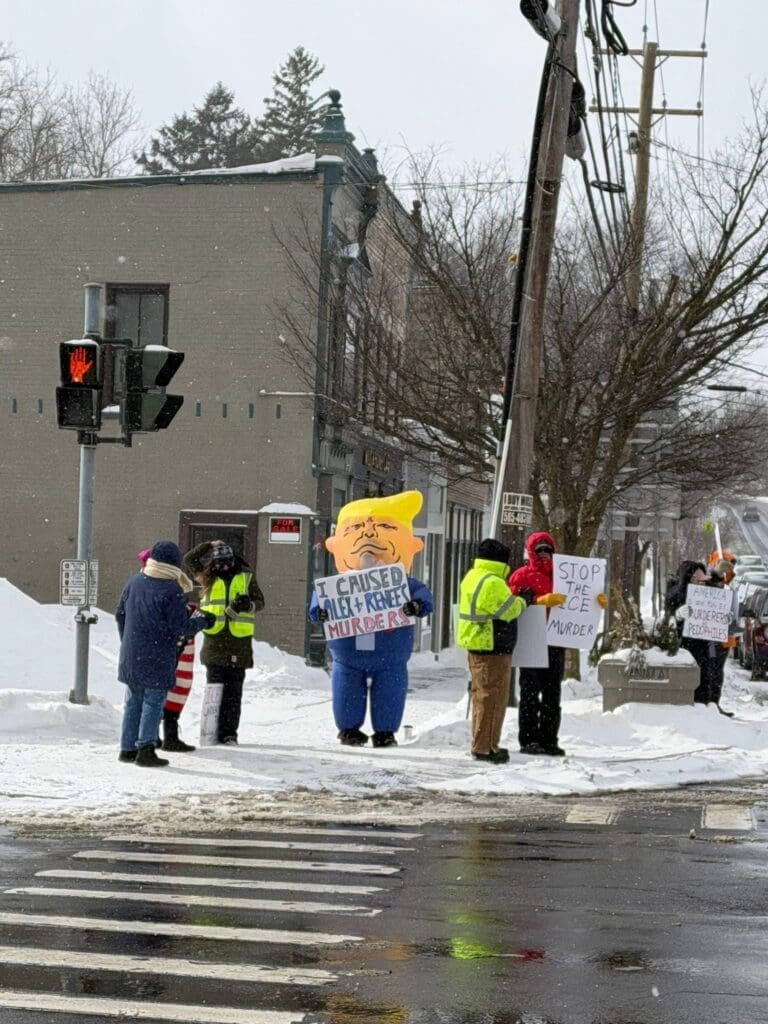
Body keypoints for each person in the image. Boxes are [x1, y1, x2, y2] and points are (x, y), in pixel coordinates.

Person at [309, 491, 433, 748]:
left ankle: (385, 731)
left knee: (390, 689)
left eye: (384, 527)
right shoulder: (339, 585)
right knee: (347, 688)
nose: (368, 535)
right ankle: (349, 729)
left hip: (390, 652)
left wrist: (416, 605)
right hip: (349, 650)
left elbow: (424, 599)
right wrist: (318, 612)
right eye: (356, 529)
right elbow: (319, 602)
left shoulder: (401, 583)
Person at [116, 540, 213, 767]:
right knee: (153, 701)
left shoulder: (135, 581)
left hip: (132, 653)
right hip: (158, 655)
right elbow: (180, 627)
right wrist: (202, 621)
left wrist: (128, 640)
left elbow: (120, 614)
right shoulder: (171, 590)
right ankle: (146, 749)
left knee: (133, 700)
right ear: (174, 564)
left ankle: (127, 748)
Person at [457, 538, 533, 764]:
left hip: (477, 643)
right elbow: (508, 610)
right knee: (492, 697)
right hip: (492, 646)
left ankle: (484, 744)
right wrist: (523, 601)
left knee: (482, 696)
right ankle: (485, 748)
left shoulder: (472, 576)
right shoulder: (492, 582)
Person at [182, 540, 265, 745]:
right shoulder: (206, 577)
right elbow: (189, 559)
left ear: (233, 561)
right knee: (214, 691)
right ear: (214, 564)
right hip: (214, 642)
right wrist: (208, 545)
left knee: (233, 692)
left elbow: (260, 602)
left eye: (227, 564)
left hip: (239, 643)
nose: (224, 568)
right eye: (220, 565)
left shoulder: (246, 577)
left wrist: (248, 604)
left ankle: (229, 733)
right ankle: (211, 731)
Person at [508, 531, 571, 757]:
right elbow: (511, 604)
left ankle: (549, 739)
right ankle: (529, 739)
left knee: (553, 694)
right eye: (540, 551)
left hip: (555, 642)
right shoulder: (521, 576)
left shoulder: (563, 576)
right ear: (531, 553)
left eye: (548, 551)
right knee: (530, 693)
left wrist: (595, 600)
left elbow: (578, 599)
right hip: (532, 641)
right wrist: (537, 602)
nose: (544, 555)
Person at [138, 548, 197, 753]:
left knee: (162, 691)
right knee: (166, 689)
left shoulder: (143, 586)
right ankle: (155, 739)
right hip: (165, 647)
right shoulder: (163, 588)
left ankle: (152, 738)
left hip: (152, 647)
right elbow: (174, 620)